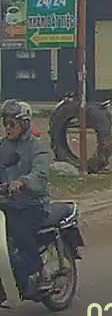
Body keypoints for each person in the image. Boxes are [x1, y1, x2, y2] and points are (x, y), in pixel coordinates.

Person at [0, 99, 50, 298]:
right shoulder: (3, 147)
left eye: (12, 123)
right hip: (7, 203)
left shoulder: (37, 147)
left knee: (18, 231)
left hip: (32, 204)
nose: (7, 128)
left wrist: (22, 182)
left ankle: (40, 274)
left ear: (24, 123)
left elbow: (41, 175)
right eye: (5, 123)